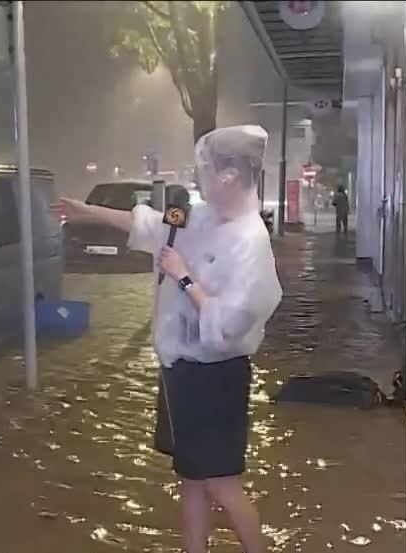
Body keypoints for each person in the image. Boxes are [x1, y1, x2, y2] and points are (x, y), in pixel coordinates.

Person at [54, 125, 283, 553]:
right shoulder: (199, 215)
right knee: (191, 480)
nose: (198, 179)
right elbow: (154, 225)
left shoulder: (250, 241)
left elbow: (231, 323)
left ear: (230, 175)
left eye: (206, 170)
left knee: (221, 482)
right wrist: (88, 211)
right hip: (181, 370)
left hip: (217, 377)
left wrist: (183, 277)